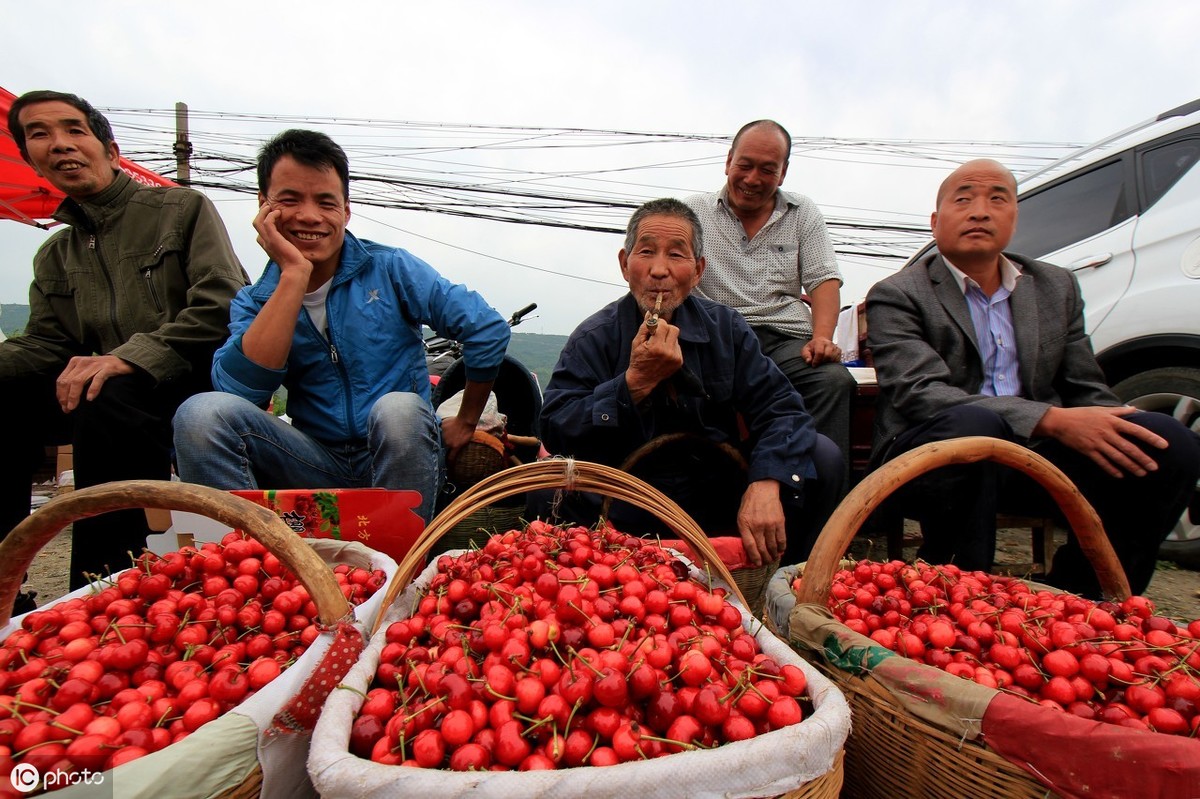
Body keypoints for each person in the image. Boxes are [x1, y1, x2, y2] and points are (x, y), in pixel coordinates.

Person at [866, 158, 1200, 597]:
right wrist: (1052, 420)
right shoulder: (897, 293)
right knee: (976, 428)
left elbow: (1085, 389)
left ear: (1014, 218)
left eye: (997, 199)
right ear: (935, 222)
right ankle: (956, 596)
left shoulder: (1054, 286)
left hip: (1037, 459)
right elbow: (920, 394)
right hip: (934, 457)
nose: (980, 211)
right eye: (963, 199)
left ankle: (1091, 597)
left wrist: (1115, 418)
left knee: (1166, 441)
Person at [173, 130, 509, 524]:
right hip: (312, 461)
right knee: (200, 415)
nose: (310, 216)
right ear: (264, 206)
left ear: (346, 211)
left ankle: (400, 567)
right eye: (290, 199)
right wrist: (294, 276)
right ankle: (243, 562)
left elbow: (486, 328)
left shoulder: (390, 269)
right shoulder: (257, 300)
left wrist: (466, 420)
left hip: (399, 458)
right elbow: (240, 391)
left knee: (398, 408)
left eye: (325, 202)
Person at [0, 90, 249, 595]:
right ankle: (7, 579)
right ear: (31, 161)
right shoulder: (55, 254)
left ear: (109, 149)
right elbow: (48, 344)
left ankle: (106, 585)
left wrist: (125, 358)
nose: (60, 145)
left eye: (74, 130)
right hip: (101, 394)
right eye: (40, 135)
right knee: (6, 397)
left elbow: (223, 302)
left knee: (106, 396)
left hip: (186, 379)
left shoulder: (180, 210)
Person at [536, 198, 843, 567]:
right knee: (545, 487)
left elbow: (783, 410)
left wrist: (766, 481)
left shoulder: (726, 329)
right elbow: (555, 427)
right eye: (646, 252)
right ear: (624, 264)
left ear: (698, 271)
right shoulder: (594, 337)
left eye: (677, 255)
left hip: (715, 494)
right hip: (624, 504)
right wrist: (633, 382)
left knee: (821, 456)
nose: (660, 270)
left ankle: (785, 583)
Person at [685, 120, 855, 477]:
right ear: (728, 161)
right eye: (744, 165)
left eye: (767, 169)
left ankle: (817, 493)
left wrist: (822, 338)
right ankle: (715, 489)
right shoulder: (693, 212)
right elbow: (672, 272)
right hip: (716, 339)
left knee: (832, 381)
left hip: (784, 340)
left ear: (783, 172)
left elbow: (824, 278)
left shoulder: (802, 212)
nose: (752, 178)